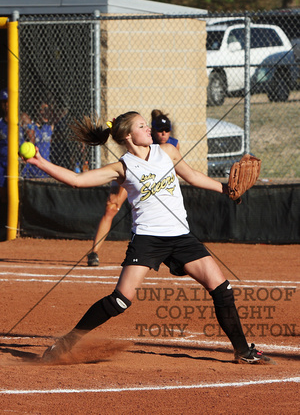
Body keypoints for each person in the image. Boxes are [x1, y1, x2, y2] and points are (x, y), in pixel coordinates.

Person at [25, 111, 270, 364]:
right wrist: (41, 162)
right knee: (120, 301)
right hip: (147, 240)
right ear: (128, 135)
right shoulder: (123, 167)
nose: (148, 129)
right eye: (142, 126)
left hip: (181, 237)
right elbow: (78, 180)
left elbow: (193, 176)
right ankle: (66, 343)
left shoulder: (168, 152)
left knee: (222, 289)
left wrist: (226, 189)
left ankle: (243, 351)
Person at [87, 110, 179, 267]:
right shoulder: (143, 139)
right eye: (159, 130)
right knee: (112, 206)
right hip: (133, 171)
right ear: (153, 130)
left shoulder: (171, 145)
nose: (163, 134)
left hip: (152, 184)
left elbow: (175, 168)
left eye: (167, 130)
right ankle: (94, 251)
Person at [21, 101, 54, 178]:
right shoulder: (30, 126)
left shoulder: (49, 126)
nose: (46, 112)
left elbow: (62, 112)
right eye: (44, 109)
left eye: (48, 110)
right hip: (31, 167)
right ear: (38, 111)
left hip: (45, 166)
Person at [0, 89, 9, 205]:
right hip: (2, 165)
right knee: (3, 197)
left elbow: (32, 138)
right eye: (4, 102)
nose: (6, 104)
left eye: (8, 101)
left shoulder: (22, 120)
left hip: (18, 166)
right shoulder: (0, 123)